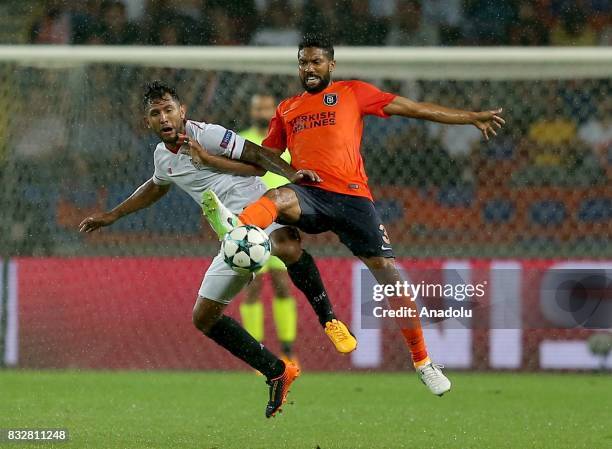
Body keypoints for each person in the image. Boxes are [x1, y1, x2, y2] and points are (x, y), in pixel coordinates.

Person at [201, 34, 505, 396]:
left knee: (389, 277)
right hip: (309, 191)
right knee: (277, 196)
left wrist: (470, 118)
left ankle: (423, 362)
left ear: (331, 65)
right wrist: (209, 161)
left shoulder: (352, 92)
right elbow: (261, 161)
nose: (309, 69)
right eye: (303, 62)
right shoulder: (286, 109)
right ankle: (239, 230)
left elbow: (412, 108)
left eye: (316, 62)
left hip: (352, 199)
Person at [78, 81, 352, 417]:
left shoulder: (208, 135)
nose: (163, 117)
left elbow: (256, 154)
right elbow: (156, 185)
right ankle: (277, 371)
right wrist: (113, 215)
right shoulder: (163, 157)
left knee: (286, 245)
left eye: (168, 110)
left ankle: (330, 320)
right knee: (204, 317)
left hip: (258, 208)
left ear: (183, 112)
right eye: (155, 113)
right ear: (147, 122)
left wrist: (293, 174)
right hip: (232, 237)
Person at [240, 93, 299, 368]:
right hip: (249, 222)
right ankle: (256, 352)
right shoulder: (241, 140)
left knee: (282, 286)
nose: (262, 111)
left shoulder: (288, 143)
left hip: (283, 224)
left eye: (266, 107)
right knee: (251, 289)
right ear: (251, 111)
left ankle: (287, 351)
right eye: (257, 107)